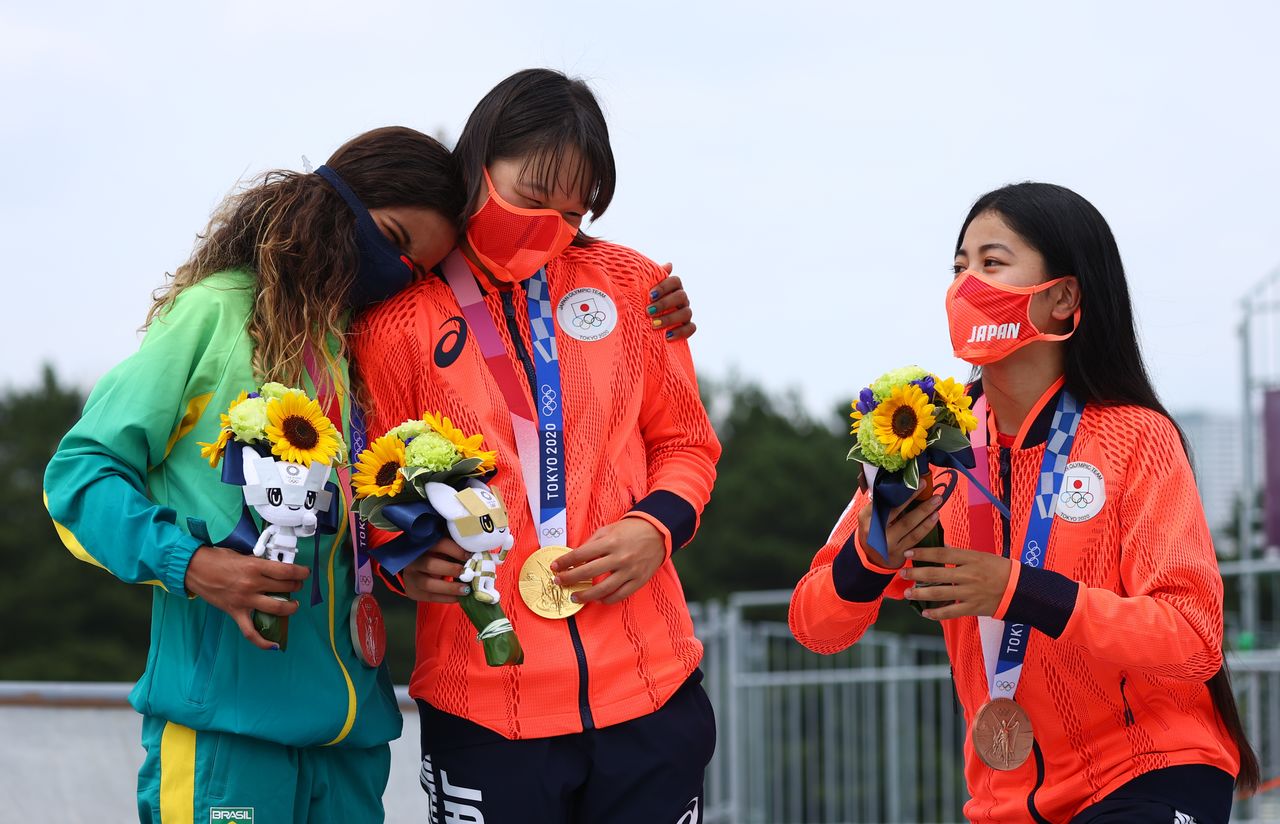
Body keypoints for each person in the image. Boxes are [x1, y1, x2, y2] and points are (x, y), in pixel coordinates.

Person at [43, 123, 696, 823]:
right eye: (390, 240)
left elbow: (385, 514)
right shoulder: (214, 312)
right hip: (224, 728)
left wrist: (404, 563)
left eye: (417, 269)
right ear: (330, 205)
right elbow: (79, 476)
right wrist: (192, 563)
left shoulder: (368, 337)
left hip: (354, 740)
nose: (396, 272)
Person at [789, 182, 1258, 824]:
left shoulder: (1135, 436)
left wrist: (1019, 591)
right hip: (1004, 801)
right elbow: (813, 626)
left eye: (991, 262)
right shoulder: (923, 440)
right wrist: (872, 558)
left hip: (1151, 774)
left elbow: (1193, 637)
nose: (965, 286)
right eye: (958, 267)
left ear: (1063, 298)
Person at [353, 68, 720, 824]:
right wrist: (402, 560)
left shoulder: (632, 287)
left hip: (650, 693)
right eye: (529, 195)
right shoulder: (393, 325)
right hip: (487, 708)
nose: (546, 224)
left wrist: (656, 529)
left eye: (571, 208)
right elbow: (372, 497)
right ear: (478, 160)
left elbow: (687, 442)